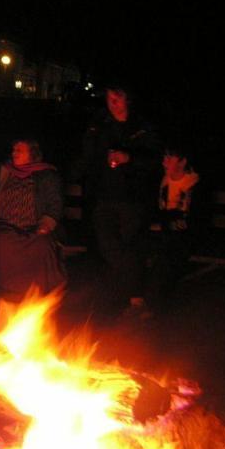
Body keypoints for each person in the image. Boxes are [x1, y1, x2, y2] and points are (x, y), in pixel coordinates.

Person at [72, 84, 162, 320]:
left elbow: (155, 159)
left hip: (133, 198)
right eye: (109, 99)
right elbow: (88, 155)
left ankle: (133, 300)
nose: (113, 104)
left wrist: (129, 158)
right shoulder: (99, 125)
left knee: (129, 245)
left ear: (128, 100)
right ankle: (135, 294)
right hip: (102, 195)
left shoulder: (142, 126)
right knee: (109, 246)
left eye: (118, 99)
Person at [0, 139, 66, 298]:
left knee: (42, 245)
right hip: (6, 225)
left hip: (33, 226)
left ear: (32, 154)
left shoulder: (46, 174)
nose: (14, 153)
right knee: (3, 242)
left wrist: (47, 223)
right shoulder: (5, 172)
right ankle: (10, 291)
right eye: (13, 150)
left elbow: (56, 203)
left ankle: (38, 292)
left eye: (19, 150)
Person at [143, 143, 200, 315]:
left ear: (182, 162)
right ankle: (145, 302)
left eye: (170, 157)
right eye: (164, 156)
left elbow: (195, 220)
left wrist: (168, 224)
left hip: (184, 238)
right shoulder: (164, 181)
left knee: (166, 262)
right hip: (165, 235)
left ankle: (157, 308)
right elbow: (159, 211)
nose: (164, 160)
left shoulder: (193, 185)